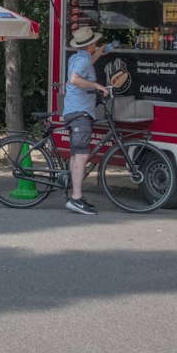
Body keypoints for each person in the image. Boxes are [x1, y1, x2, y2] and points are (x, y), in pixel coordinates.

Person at [61, 25, 109, 215]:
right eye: (95, 42)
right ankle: (76, 198)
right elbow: (74, 79)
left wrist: (99, 53)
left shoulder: (79, 57)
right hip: (80, 112)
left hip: (73, 111)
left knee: (75, 154)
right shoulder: (82, 60)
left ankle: (75, 194)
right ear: (91, 43)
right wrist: (97, 85)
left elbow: (87, 63)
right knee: (81, 155)